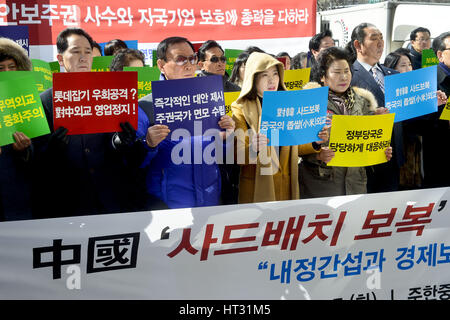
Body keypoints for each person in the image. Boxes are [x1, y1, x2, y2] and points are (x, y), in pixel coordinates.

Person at [32, 28, 136, 218]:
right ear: (61, 58)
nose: (83, 57)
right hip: (66, 204)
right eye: (75, 51)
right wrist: (52, 149)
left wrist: (119, 142)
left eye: (88, 52)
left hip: (111, 201)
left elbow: (115, 145)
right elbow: (34, 159)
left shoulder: (110, 95)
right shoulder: (43, 101)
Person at [136, 36, 235, 209]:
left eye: (192, 58)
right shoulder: (146, 106)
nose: (189, 65)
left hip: (210, 199)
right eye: (180, 59)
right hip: (168, 205)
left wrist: (227, 137)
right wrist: (148, 144)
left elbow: (220, 155)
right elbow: (133, 162)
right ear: (161, 65)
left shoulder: (208, 98)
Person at [231, 52, 329, 204]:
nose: (272, 80)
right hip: (257, 190)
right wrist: (254, 147)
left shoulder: (287, 104)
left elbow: (296, 146)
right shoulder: (240, 108)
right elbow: (237, 156)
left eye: (275, 74)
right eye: (264, 75)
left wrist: (315, 141)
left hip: (287, 186)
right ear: (253, 77)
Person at [299, 47, 392, 198]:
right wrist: (317, 156)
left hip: (355, 183)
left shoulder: (361, 101)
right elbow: (296, 145)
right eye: (336, 72)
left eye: (346, 71)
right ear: (323, 76)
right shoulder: (310, 102)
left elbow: (366, 138)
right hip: (322, 183)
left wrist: (380, 150)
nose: (343, 77)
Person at [346, 22, 404, 193]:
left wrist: (430, 100)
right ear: (358, 45)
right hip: (366, 156)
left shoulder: (393, 74)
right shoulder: (348, 76)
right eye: (373, 39)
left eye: (381, 38)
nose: (380, 43)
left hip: (393, 153)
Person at [0, 37, 33, 221]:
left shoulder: (27, 101)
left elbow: (38, 151)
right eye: (1, 68)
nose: (7, 72)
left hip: (18, 193)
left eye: (11, 67)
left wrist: (24, 151)